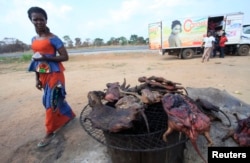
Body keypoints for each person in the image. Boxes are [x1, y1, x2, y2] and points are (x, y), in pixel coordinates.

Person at [27, 6, 75, 147]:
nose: (39, 22)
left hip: (55, 75)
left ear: (46, 20)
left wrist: (47, 57)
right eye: (35, 19)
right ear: (31, 20)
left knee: (50, 103)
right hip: (43, 75)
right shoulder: (33, 39)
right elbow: (36, 60)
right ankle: (69, 115)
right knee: (51, 99)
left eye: (41, 19)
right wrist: (37, 79)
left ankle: (49, 132)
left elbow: (65, 57)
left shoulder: (54, 39)